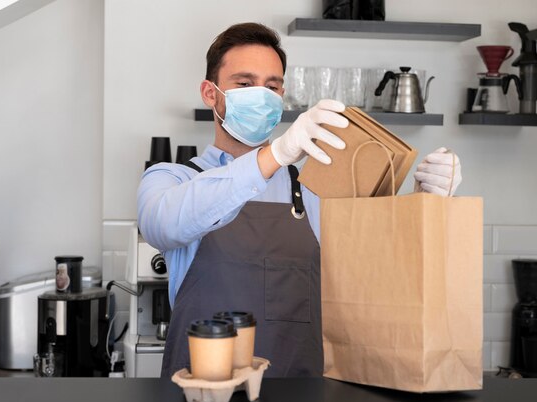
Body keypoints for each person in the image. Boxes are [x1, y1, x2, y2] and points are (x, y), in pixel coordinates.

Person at [137, 22, 462, 378]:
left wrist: (426, 203)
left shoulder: (310, 189)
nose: (260, 95)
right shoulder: (173, 179)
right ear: (210, 93)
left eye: (272, 86)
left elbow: (377, 265)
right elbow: (162, 224)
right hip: (202, 393)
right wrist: (276, 153)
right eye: (244, 84)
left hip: (301, 396)